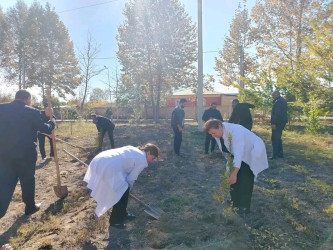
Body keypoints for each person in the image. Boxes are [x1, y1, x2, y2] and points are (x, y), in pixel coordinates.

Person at [0, 90, 55, 218]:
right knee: (27, 180)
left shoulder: (2, 108)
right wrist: (52, 122)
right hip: (26, 155)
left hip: (5, 154)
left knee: (5, 183)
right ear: (28, 99)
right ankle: (30, 207)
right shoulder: (32, 111)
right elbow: (44, 128)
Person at [83, 143, 160, 229]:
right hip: (109, 166)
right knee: (122, 191)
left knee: (122, 190)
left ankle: (123, 214)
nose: (151, 161)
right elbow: (131, 178)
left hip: (100, 159)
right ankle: (115, 221)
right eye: (152, 158)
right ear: (148, 153)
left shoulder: (135, 150)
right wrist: (127, 189)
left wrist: (126, 190)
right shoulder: (143, 160)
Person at [203, 119, 268, 216]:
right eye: (211, 134)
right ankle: (234, 201)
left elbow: (239, 153)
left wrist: (234, 173)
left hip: (251, 151)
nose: (213, 136)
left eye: (213, 133)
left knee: (245, 178)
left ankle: (244, 207)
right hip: (237, 153)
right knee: (233, 178)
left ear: (219, 127)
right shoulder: (218, 133)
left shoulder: (236, 131)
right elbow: (224, 149)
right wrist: (229, 161)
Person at [270, 91, 288, 160]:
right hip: (281, 122)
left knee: (275, 138)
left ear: (278, 94)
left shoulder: (278, 102)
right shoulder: (282, 100)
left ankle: (275, 155)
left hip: (278, 122)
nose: (272, 96)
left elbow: (277, 113)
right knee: (278, 138)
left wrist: (274, 123)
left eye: (273, 95)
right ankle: (280, 154)